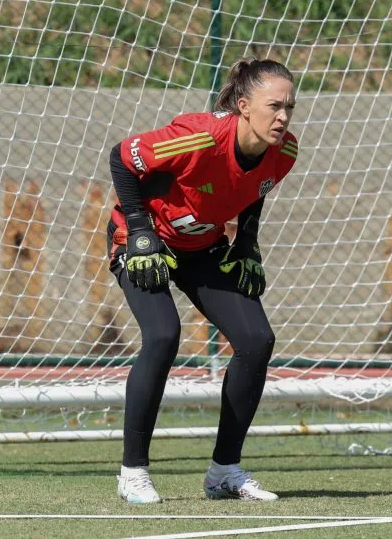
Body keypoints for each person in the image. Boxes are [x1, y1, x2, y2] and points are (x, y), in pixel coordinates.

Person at [106, 57, 298, 504]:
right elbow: (122, 157)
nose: (284, 116)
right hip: (144, 243)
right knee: (163, 335)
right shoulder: (199, 136)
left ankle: (223, 472)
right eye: (275, 106)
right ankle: (132, 473)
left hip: (201, 247)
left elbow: (256, 188)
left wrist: (247, 241)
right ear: (244, 105)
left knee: (256, 340)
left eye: (290, 106)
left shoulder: (284, 151)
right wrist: (138, 230)